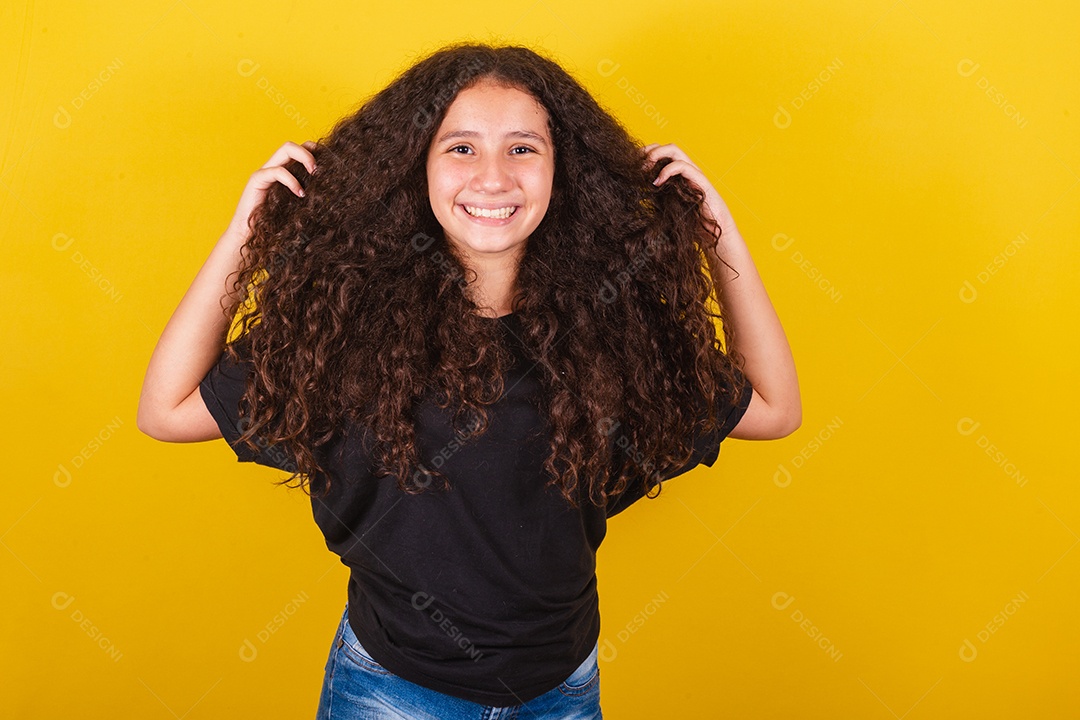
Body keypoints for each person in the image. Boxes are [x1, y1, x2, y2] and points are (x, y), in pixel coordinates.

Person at [137, 41, 800, 720]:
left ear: (563, 170)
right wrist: (249, 229)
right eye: (460, 148)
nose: (493, 177)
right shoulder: (346, 328)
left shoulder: (612, 329)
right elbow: (167, 409)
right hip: (389, 694)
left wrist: (715, 231)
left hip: (562, 695)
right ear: (415, 167)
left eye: (523, 148)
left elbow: (776, 408)